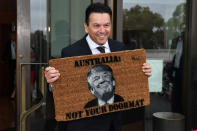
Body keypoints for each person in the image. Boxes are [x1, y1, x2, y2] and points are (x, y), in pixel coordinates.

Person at [45, 3, 152, 131]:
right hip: (83, 125)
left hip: (113, 124)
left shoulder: (120, 49)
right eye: (96, 26)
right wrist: (53, 83)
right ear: (86, 27)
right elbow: (63, 91)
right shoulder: (70, 53)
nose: (102, 30)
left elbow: (126, 83)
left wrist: (142, 73)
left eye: (106, 25)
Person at [2, 31, 16, 97]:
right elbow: (5, 51)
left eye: (13, 35)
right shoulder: (8, 43)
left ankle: (16, 92)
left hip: (17, 61)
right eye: (11, 35)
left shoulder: (17, 42)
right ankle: (11, 92)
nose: (12, 36)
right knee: (11, 76)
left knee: (17, 75)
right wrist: (3, 59)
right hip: (11, 61)